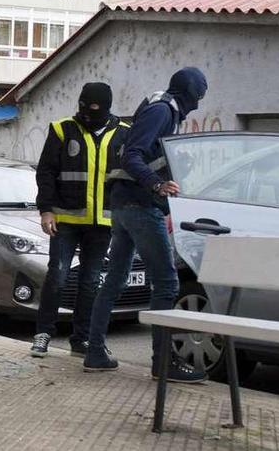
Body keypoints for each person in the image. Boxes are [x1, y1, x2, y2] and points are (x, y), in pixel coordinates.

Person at [84, 67, 209, 384]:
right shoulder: (163, 110)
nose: (199, 102)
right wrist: (157, 184)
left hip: (126, 205)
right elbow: (133, 155)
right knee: (166, 283)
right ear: (192, 92)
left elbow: (143, 154)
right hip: (140, 205)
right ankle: (162, 362)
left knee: (115, 279)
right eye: (200, 95)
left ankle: (94, 352)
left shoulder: (161, 107)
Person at [30, 83, 130, 358]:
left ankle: (81, 339)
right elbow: (46, 172)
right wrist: (46, 210)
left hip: (102, 223)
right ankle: (43, 334)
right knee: (58, 276)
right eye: (84, 106)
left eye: (95, 108)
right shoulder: (63, 129)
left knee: (90, 281)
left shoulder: (123, 134)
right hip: (65, 219)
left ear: (107, 107)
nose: (88, 113)